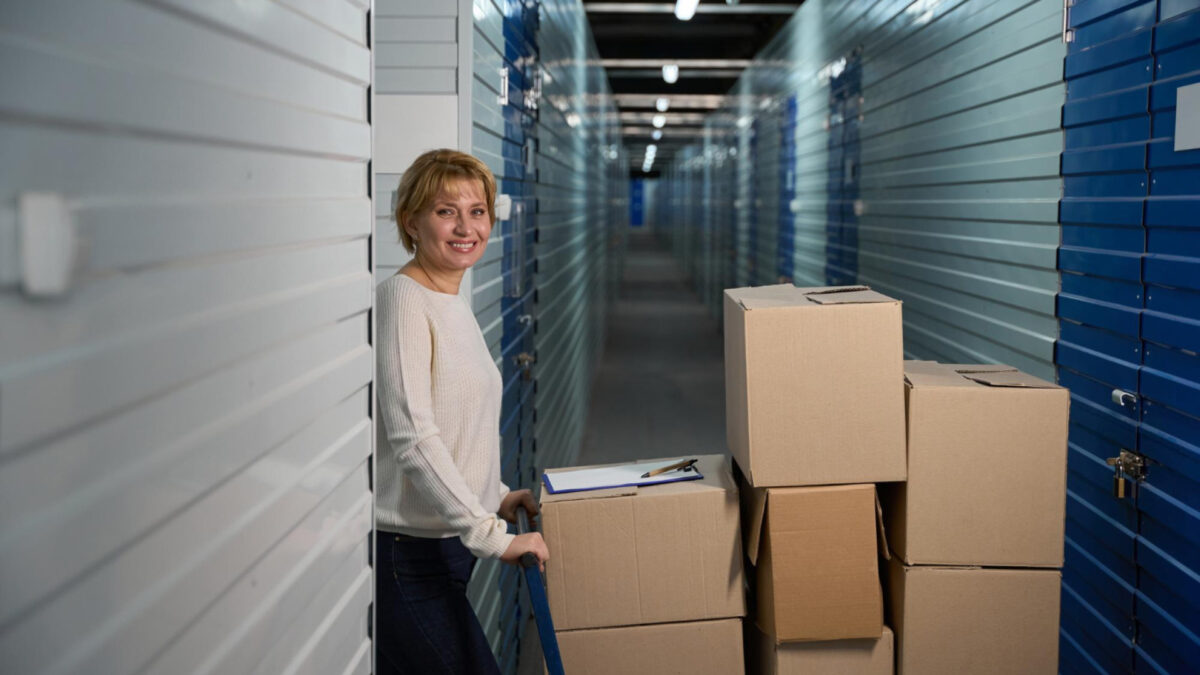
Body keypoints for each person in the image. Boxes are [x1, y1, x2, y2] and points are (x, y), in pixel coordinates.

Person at [375, 149, 550, 674]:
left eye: (477, 211)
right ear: (411, 220)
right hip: (407, 556)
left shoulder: (450, 299)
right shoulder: (403, 300)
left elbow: (456, 426)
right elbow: (414, 437)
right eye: (445, 210)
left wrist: (493, 495)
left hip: (442, 548)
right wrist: (492, 536)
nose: (465, 226)